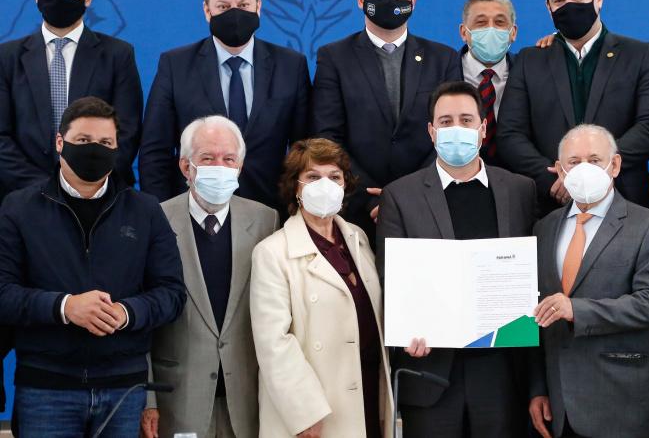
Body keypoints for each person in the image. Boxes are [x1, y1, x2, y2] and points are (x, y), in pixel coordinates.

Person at [0, 97, 186, 438]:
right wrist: (65, 307)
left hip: (124, 391)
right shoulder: (18, 208)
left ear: (117, 148)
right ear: (60, 143)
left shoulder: (145, 210)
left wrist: (127, 312)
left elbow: (172, 293)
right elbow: (3, 293)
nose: (94, 150)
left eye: (105, 143)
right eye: (83, 141)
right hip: (46, 388)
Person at [376, 81, 538, 438]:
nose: (456, 129)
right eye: (445, 121)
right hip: (430, 370)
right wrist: (405, 329)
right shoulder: (400, 195)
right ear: (432, 132)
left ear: (483, 129)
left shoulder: (520, 190)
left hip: (502, 371)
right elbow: (390, 278)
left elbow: (533, 277)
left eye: (466, 120)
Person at [528, 124, 649, 438]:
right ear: (559, 170)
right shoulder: (543, 228)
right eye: (573, 161)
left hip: (622, 403)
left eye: (594, 160)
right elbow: (536, 315)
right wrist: (539, 388)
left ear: (616, 165)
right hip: (560, 406)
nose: (584, 169)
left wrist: (576, 310)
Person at [498, 0, 649, 214]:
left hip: (627, 203)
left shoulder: (641, 55)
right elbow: (510, 135)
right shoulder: (530, 60)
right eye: (559, 1)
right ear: (548, 7)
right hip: (552, 205)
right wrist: (556, 178)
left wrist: (595, 171)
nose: (569, 6)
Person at [141, 116, 279, 438]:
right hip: (178, 401)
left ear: (240, 167)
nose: (220, 166)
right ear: (186, 167)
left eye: (228, 159)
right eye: (207, 158)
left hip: (247, 401)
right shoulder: (155, 220)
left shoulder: (265, 221)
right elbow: (142, 317)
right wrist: (146, 398)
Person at [139, 0, 311, 213]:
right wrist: (162, 215)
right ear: (207, 10)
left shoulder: (291, 66)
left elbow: (304, 148)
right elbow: (155, 151)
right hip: (192, 211)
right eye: (223, 6)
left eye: (243, 5)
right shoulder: (175, 65)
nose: (235, 13)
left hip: (272, 211)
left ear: (258, 6)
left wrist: (299, 210)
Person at [310, 0, 461, 240]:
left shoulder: (443, 58)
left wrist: (409, 194)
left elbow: (449, 134)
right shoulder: (334, 57)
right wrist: (371, 198)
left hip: (428, 204)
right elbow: (327, 136)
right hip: (358, 209)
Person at [250, 138, 393, 438]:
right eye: (313, 177)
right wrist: (304, 413)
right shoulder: (272, 252)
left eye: (335, 177)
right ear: (296, 187)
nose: (325, 185)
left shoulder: (358, 238)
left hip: (367, 391)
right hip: (316, 409)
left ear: (345, 186)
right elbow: (274, 344)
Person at [0, 0, 143, 204]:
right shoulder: (6, 57)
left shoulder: (117, 55)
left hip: (101, 196)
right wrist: (43, 188)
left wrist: (86, 183)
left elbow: (128, 132)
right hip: (21, 198)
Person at [458, 0, 518, 167]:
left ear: (513, 32)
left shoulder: (530, 71)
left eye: (500, 22)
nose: (490, 28)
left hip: (520, 180)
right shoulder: (442, 72)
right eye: (481, 22)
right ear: (464, 32)